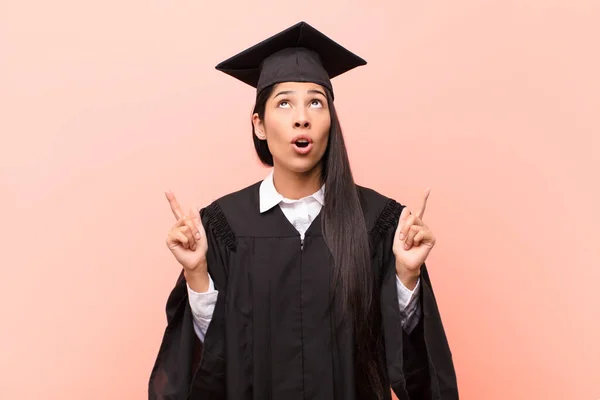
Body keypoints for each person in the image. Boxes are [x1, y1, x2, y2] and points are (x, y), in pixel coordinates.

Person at [148, 21, 458, 400]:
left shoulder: (378, 223)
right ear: (259, 125)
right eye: (284, 103)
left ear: (331, 120)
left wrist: (406, 277)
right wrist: (197, 274)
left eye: (315, 101)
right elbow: (207, 366)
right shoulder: (223, 227)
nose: (302, 117)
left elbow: (409, 367)